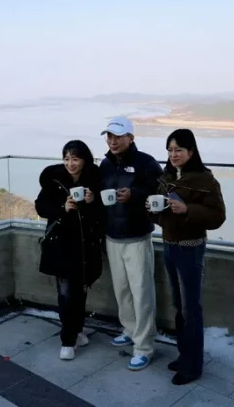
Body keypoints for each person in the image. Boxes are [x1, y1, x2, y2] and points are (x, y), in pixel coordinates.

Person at [147, 128, 226, 386]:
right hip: (169, 245)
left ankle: (193, 366)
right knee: (179, 306)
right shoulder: (166, 176)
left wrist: (187, 209)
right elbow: (158, 215)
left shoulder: (204, 180)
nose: (173, 155)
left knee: (192, 308)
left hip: (191, 248)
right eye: (170, 150)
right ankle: (184, 356)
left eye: (178, 150)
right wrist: (151, 209)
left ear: (191, 151)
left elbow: (217, 216)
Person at [99, 116, 164, 371]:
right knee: (122, 290)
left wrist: (135, 195)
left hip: (137, 237)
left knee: (142, 293)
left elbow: (161, 191)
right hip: (112, 236)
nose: (112, 141)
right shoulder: (104, 164)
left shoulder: (146, 163)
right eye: (109, 136)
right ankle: (129, 329)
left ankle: (144, 346)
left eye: (117, 136)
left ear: (131, 138)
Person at [35, 140, 104, 360]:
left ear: (85, 159)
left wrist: (93, 200)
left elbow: (102, 212)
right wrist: (61, 208)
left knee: (81, 290)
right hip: (62, 245)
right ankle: (67, 340)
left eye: (75, 159)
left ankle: (78, 330)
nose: (70, 164)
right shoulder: (54, 179)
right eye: (66, 158)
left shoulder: (94, 180)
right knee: (65, 294)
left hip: (85, 246)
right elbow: (40, 206)